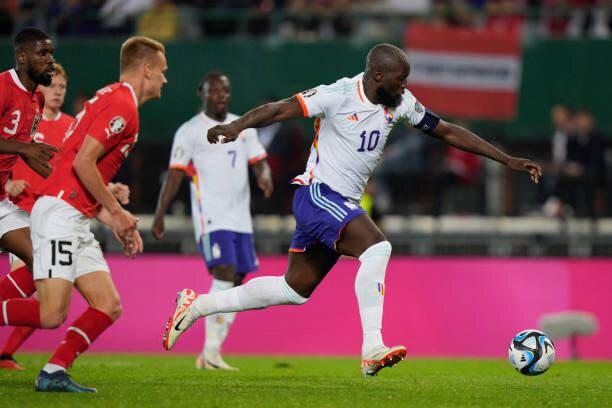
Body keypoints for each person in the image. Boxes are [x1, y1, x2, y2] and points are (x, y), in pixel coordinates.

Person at [162, 43, 542, 377]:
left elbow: (447, 131)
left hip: (337, 204)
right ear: (378, 74)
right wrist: (238, 127)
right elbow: (280, 110)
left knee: (292, 290)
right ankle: (371, 347)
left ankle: (197, 306)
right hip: (317, 194)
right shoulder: (339, 95)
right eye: (401, 78)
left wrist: (505, 159)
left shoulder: (401, 103)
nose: (406, 85)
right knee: (378, 248)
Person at [0, 36, 167, 393]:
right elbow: (83, 162)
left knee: (108, 305)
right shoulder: (124, 104)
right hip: (60, 215)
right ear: (147, 69)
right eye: (163, 72)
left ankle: (54, 371)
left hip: (72, 214)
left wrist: (114, 215)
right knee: (51, 314)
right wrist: (118, 213)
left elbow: (73, 171)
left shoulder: (110, 97)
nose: (165, 81)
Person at [0, 64, 130, 370]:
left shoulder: (72, 126)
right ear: (40, 89)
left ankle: (12, 356)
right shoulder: (23, 121)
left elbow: (74, 172)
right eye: (53, 85)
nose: (58, 91)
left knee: (49, 299)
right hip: (22, 212)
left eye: (62, 86)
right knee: (45, 294)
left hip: (56, 214)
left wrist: (108, 190)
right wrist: (6, 183)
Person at [152, 72, 272, 370]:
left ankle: (211, 352)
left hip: (241, 218)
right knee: (225, 273)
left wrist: (264, 176)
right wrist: (159, 214)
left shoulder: (242, 126)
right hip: (212, 217)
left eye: (226, 90)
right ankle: (210, 353)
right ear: (201, 93)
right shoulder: (190, 131)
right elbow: (175, 174)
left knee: (237, 280)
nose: (221, 95)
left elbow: (259, 161)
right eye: (214, 90)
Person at [0, 28, 58, 303]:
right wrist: (24, 147)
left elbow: (29, 152)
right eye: (42, 53)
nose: (50, 60)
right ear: (22, 58)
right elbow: (24, 147)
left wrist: (74, 187)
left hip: (1, 203)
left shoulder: (38, 100)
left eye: (52, 53)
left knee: (45, 256)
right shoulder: (2, 86)